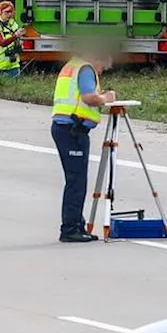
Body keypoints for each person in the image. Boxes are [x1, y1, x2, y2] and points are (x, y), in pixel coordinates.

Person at [50, 47, 117, 243]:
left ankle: (77, 223)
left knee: (76, 180)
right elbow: (89, 97)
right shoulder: (86, 69)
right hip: (72, 130)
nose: (101, 72)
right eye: (103, 67)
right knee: (76, 181)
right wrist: (106, 98)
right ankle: (70, 228)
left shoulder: (72, 65)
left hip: (67, 128)